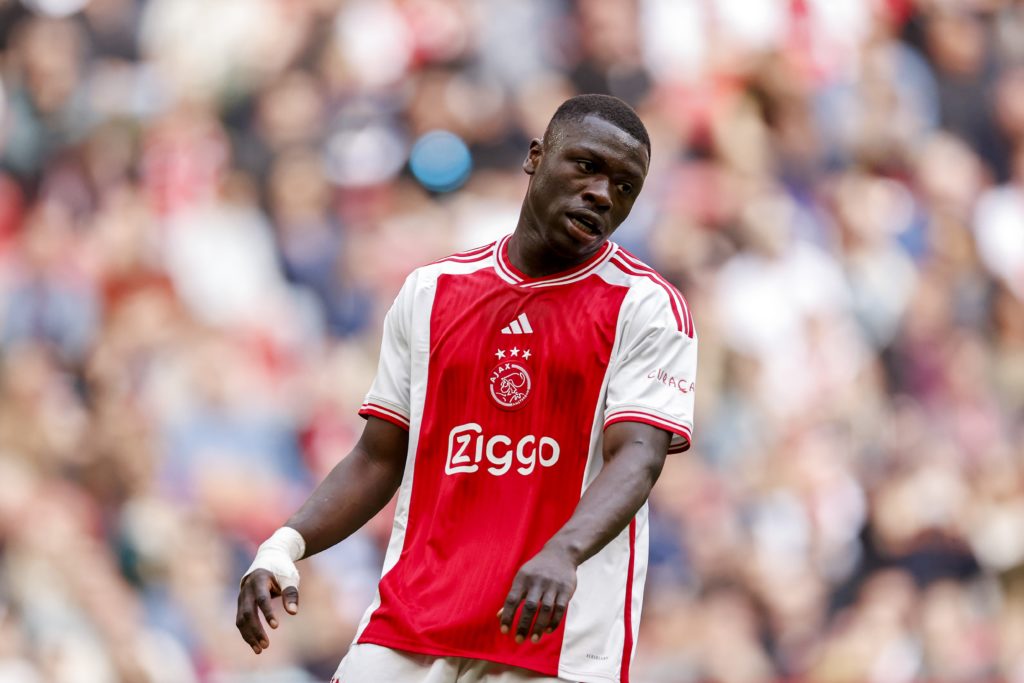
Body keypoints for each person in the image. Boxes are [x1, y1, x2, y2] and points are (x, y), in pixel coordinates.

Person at [236, 94, 697, 683]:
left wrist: (564, 551)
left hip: (553, 640)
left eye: (625, 186)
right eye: (587, 166)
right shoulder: (431, 294)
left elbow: (638, 454)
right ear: (536, 157)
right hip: (413, 625)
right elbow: (379, 456)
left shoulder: (646, 307)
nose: (603, 194)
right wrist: (284, 545)